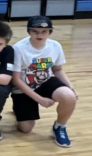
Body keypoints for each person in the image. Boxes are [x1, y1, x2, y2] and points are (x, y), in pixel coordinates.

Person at [11, 16, 77, 147]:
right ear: (29, 31)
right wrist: (39, 99)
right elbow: (16, 79)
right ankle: (18, 108)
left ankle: (59, 127)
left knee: (69, 96)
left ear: (50, 32)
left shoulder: (55, 46)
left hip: (46, 82)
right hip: (24, 87)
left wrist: (70, 87)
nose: (39, 35)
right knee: (25, 129)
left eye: (44, 31)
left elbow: (57, 69)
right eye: (35, 31)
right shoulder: (18, 48)